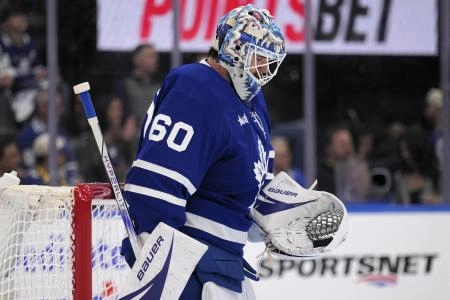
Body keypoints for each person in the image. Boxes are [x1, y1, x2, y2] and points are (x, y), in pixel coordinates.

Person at [120, 4, 286, 299]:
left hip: (226, 265)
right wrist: (160, 272)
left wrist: (282, 213)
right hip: (190, 265)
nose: (263, 70)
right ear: (232, 49)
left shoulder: (254, 101)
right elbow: (153, 188)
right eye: (257, 58)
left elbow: (255, 183)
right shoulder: (195, 88)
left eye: (268, 61)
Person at [115, 43, 161, 125]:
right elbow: (116, 113)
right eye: (149, 56)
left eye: (155, 57)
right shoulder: (125, 85)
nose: (154, 60)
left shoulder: (160, 86)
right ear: (136, 59)